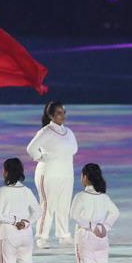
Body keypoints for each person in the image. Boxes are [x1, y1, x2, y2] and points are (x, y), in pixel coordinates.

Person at [67, 164, 119, 263]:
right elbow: (115, 212)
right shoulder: (104, 197)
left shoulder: (81, 196)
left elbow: (74, 215)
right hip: (102, 237)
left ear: (86, 177)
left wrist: (92, 225)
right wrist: (105, 227)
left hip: (86, 236)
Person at [26, 101, 78, 248]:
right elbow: (31, 148)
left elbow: (74, 149)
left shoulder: (68, 132)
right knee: (48, 205)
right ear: (51, 115)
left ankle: (64, 235)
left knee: (63, 205)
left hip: (66, 174)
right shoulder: (46, 131)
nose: (63, 116)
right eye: (59, 113)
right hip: (48, 174)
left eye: (64, 113)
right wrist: (41, 158)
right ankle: (42, 237)